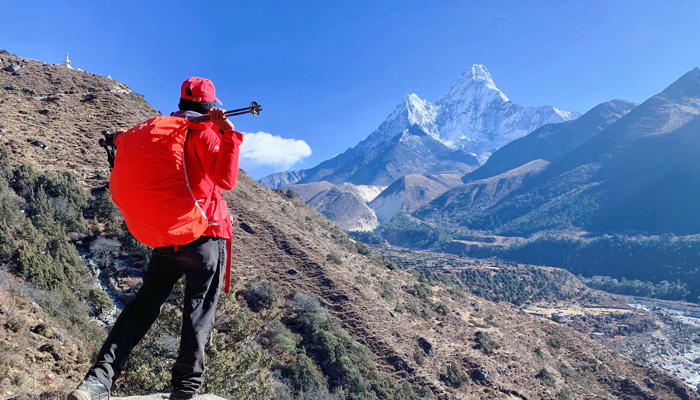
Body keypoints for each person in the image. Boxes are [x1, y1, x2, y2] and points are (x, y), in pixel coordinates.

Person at [69, 77, 244, 400]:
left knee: (143, 306)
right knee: (198, 313)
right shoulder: (202, 133)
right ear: (209, 105)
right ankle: (185, 391)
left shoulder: (160, 131)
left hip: (167, 237)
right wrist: (229, 135)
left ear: (182, 102)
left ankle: (98, 380)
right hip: (205, 237)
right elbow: (225, 179)